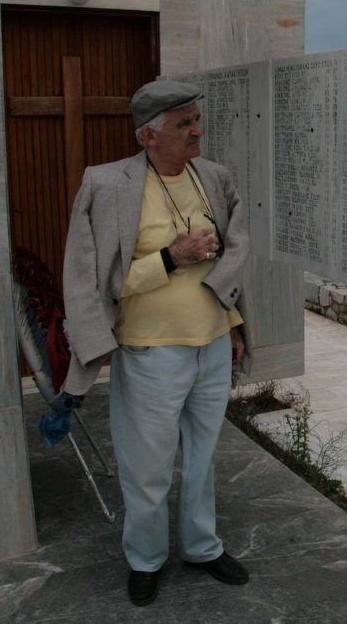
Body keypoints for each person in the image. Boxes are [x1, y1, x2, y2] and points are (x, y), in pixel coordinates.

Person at [61, 80, 251, 606]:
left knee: (203, 456)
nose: (197, 131)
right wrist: (169, 258)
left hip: (212, 344)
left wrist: (232, 323)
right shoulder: (106, 185)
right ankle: (145, 559)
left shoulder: (213, 176)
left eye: (195, 119)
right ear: (148, 135)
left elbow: (231, 255)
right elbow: (92, 278)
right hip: (150, 351)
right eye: (183, 124)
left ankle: (202, 546)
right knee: (147, 466)